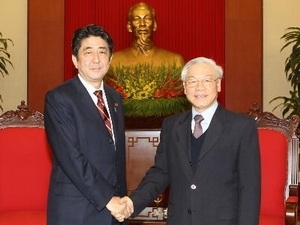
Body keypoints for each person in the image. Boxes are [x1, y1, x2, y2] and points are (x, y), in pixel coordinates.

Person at [119, 57, 261, 225]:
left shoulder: (241, 127)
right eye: (192, 81)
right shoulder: (171, 125)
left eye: (207, 80)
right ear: (185, 88)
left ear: (218, 85)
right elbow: (161, 173)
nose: (199, 87)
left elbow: (249, 188)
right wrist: (132, 203)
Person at [44, 24, 132, 225]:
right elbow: (71, 158)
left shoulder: (115, 98)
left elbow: (115, 157)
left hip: (114, 212)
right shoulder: (59, 98)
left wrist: (120, 203)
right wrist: (109, 199)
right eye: (88, 52)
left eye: (102, 52)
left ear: (110, 59)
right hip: (76, 210)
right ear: (75, 60)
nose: (96, 59)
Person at [111, 2, 185, 67]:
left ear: (154, 25)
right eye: (137, 19)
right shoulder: (113, 61)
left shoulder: (175, 61)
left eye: (147, 19)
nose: (142, 24)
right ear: (129, 27)